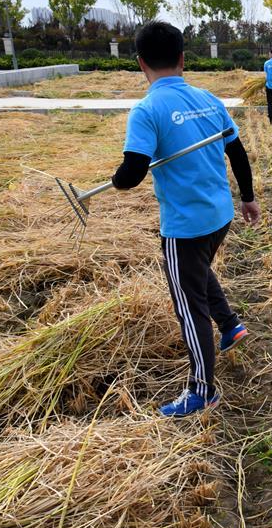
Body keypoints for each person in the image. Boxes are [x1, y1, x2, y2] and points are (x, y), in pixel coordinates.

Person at [111, 21, 261, 417]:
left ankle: (202, 390)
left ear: (141, 63)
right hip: (220, 216)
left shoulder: (146, 110)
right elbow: (238, 153)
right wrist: (248, 199)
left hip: (184, 225)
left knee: (189, 304)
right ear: (182, 58)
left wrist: (115, 179)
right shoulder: (209, 99)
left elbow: (132, 174)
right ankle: (229, 324)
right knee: (197, 271)